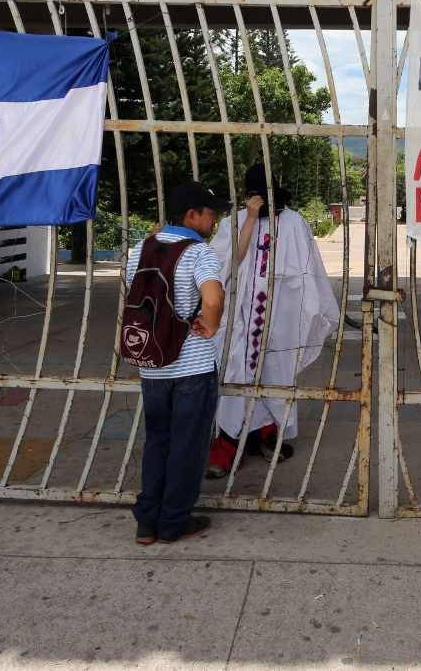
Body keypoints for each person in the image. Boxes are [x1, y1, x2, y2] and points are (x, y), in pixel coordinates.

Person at [205, 163, 340, 478]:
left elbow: (309, 271)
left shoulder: (293, 223)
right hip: (238, 319)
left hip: (280, 316)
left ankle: (267, 434)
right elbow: (221, 266)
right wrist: (250, 219)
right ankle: (227, 444)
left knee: (276, 372)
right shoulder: (234, 222)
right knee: (235, 372)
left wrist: (308, 311)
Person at [124, 181, 229, 545]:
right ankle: (173, 521)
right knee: (188, 444)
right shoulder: (200, 252)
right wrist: (210, 324)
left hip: (152, 365)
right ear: (191, 215)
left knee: (158, 440)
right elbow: (212, 298)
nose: (214, 222)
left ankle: (147, 520)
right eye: (210, 214)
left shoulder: (140, 249)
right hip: (192, 367)